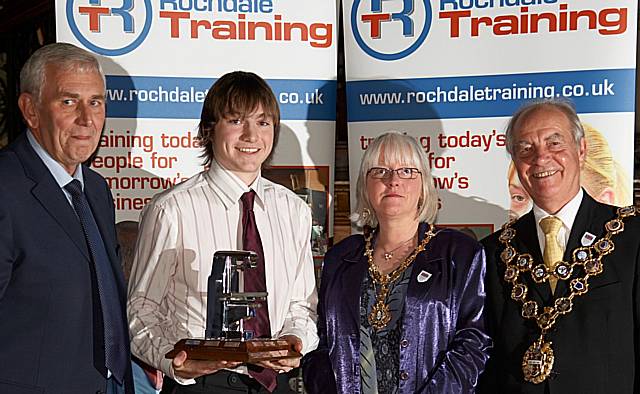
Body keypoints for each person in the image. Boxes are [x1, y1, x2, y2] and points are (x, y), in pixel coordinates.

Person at [127, 71, 319, 393]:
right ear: (208, 130)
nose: (251, 135)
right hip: (201, 384)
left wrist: (294, 340)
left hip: (276, 384)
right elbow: (141, 308)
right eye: (235, 120)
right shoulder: (173, 210)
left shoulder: (294, 210)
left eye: (262, 122)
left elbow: (302, 305)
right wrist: (173, 360)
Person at [303, 131, 491, 393]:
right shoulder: (341, 257)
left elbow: (473, 342)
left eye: (406, 171)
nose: (393, 181)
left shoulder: (458, 253)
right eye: (379, 171)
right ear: (365, 187)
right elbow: (321, 342)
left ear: (424, 185)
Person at [480, 99, 640, 393]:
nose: (540, 158)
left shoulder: (632, 236)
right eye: (525, 148)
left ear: (581, 151)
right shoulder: (493, 252)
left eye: (554, 143)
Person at [0, 43, 133, 393]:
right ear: (30, 110)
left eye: (96, 103)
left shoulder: (97, 190)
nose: (87, 120)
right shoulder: (5, 187)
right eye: (69, 102)